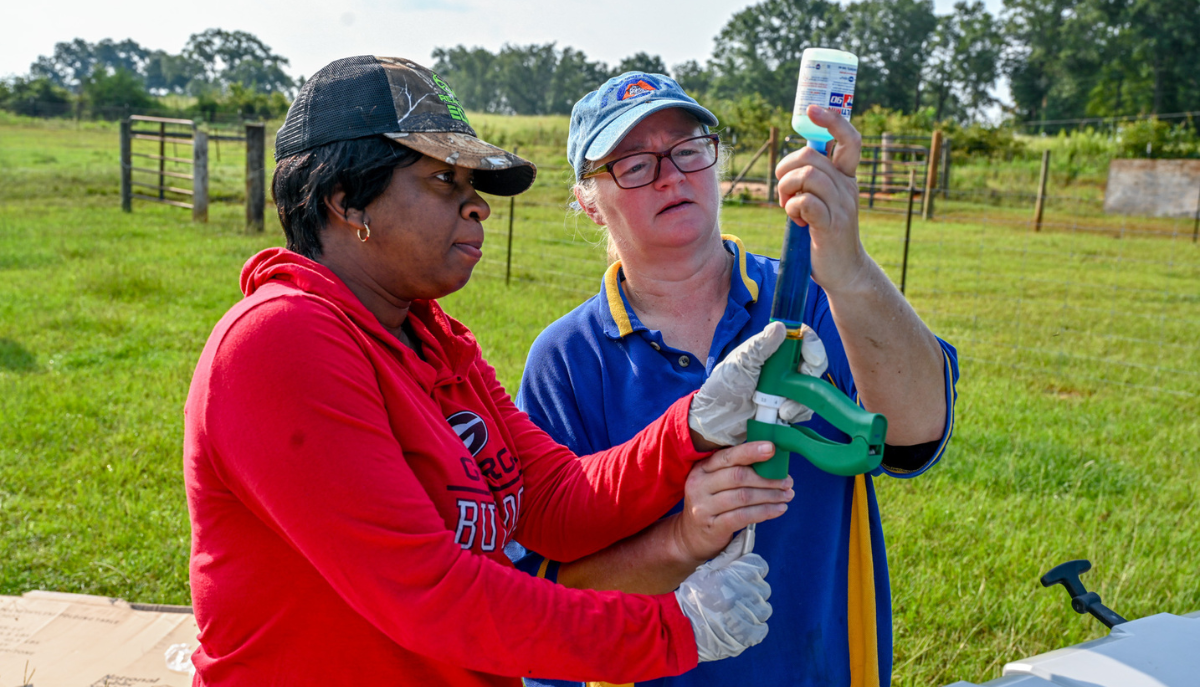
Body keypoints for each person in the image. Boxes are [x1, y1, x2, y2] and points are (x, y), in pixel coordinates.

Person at [181, 57, 798, 687]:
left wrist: (693, 425)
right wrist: (671, 631)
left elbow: (556, 500)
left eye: (471, 183)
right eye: (444, 179)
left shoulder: (435, 342)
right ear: (347, 201)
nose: (476, 206)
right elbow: (430, 595)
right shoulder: (280, 342)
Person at [513, 72, 960, 687]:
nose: (672, 174)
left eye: (688, 149)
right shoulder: (567, 361)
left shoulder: (815, 302)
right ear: (589, 199)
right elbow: (545, 591)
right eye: (633, 164)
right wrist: (681, 541)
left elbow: (916, 438)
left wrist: (848, 265)